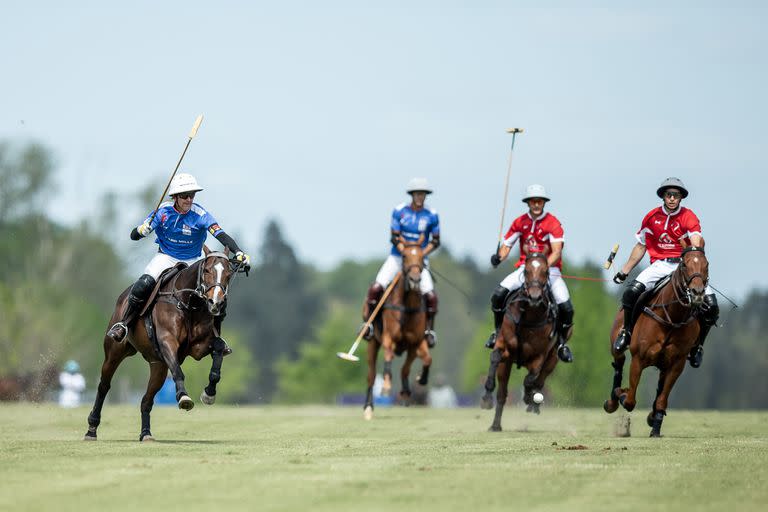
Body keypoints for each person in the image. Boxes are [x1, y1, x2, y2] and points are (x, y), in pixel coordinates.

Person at [106, 173, 250, 356]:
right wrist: (141, 230)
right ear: (175, 197)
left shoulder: (200, 215)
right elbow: (134, 236)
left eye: (192, 195)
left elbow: (220, 234)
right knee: (144, 283)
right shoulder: (162, 212)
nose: (189, 199)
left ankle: (215, 336)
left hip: (192, 261)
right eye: (184, 196)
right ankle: (124, 324)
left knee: (215, 291)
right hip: (166, 257)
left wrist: (238, 251)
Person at [612, 177, 718, 368]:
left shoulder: (688, 216)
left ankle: (697, 347)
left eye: (675, 195)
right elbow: (641, 245)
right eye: (668, 195)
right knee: (631, 293)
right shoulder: (652, 217)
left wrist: (694, 251)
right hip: (660, 265)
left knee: (711, 306)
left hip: (684, 267)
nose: (671, 198)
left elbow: (696, 238)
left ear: (680, 198)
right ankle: (627, 332)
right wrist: (625, 270)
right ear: (663, 197)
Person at [487, 184, 574, 363]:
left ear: (544, 203)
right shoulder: (520, 222)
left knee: (566, 307)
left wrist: (542, 269)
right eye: (533, 201)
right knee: (498, 295)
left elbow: (556, 251)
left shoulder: (553, 223)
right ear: (528, 203)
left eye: (539, 201)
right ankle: (497, 333)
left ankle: (562, 344)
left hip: (550, 270)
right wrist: (499, 257)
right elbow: (507, 245)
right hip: (525, 270)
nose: (536, 204)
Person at [361, 177, 440, 347]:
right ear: (412, 195)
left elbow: (435, 241)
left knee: (431, 296)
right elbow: (394, 237)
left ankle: (428, 331)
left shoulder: (431, 215)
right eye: (417, 194)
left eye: (423, 194)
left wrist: (418, 256)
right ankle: (368, 325)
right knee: (376, 287)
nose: (420, 197)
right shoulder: (400, 211)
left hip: (419, 262)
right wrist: (407, 253)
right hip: (397, 258)